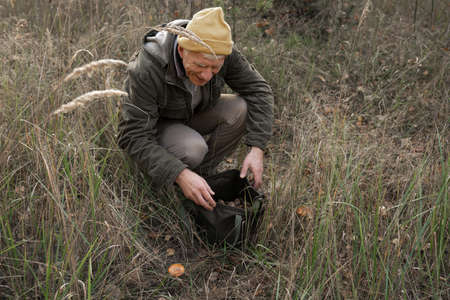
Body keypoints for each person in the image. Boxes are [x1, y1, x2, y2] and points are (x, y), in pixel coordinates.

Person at [118, 7, 274, 211]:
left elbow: (259, 90)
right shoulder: (147, 68)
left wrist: (257, 148)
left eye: (215, 69)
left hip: (190, 114)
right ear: (182, 50)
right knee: (193, 148)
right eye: (200, 66)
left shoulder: (220, 50)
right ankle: (174, 184)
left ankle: (201, 179)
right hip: (158, 126)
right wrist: (179, 173)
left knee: (240, 108)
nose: (207, 76)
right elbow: (131, 135)